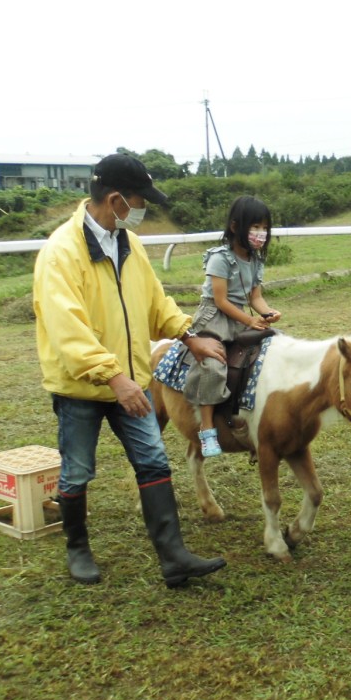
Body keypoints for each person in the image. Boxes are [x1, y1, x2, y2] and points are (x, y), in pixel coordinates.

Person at [33, 153, 228, 587]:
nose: (143, 210)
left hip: (132, 382)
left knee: (153, 462)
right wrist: (113, 377)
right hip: (82, 387)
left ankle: (174, 558)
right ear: (116, 200)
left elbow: (155, 302)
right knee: (77, 470)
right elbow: (67, 329)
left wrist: (188, 335)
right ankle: (77, 549)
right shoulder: (60, 253)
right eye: (140, 201)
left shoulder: (130, 244)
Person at [183, 195, 281, 457]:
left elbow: (255, 297)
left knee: (275, 348)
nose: (261, 233)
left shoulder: (256, 260)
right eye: (255, 226)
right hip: (215, 318)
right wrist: (250, 320)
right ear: (236, 227)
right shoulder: (220, 258)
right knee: (212, 364)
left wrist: (267, 312)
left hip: (239, 318)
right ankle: (206, 428)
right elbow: (221, 300)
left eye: (264, 227)